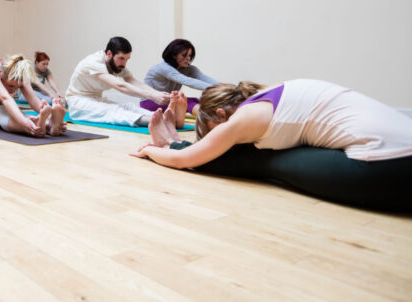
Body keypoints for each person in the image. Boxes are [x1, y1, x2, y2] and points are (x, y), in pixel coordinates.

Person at [131, 79, 412, 211]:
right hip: (399, 154)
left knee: (262, 159)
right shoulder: (268, 94)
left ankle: (173, 144)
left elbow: (188, 162)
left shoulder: (245, 118)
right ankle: (176, 143)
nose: (219, 138)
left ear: (221, 115)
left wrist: (152, 151)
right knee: (270, 149)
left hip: (388, 166)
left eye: (212, 132)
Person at [66, 37, 170, 126]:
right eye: (121, 58)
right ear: (109, 53)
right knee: (113, 111)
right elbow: (120, 86)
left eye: (127, 59)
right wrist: (152, 96)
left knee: (128, 107)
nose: (124, 63)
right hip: (78, 102)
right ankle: (158, 121)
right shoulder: (93, 62)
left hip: (96, 99)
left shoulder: (117, 65)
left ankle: (164, 117)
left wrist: (158, 93)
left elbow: (134, 82)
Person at [0, 54, 66, 137]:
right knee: (2, 111)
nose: (14, 89)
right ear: (2, 75)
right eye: (11, 86)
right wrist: (24, 123)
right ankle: (39, 127)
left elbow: (33, 100)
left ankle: (49, 126)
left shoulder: (20, 76)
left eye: (17, 87)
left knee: (15, 112)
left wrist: (50, 117)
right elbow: (5, 99)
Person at [140, 39, 217, 127]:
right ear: (173, 55)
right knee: (187, 102)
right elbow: (188, 81)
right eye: (184, 55)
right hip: (149, 103)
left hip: (168, 101)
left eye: (189, 55)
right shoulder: (163, 67)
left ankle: (219, 119)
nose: (188, 58)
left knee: (199, 101)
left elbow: (204, 78)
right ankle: (213, 122)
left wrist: (228, 88)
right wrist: (219, 89)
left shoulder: (188, 69)